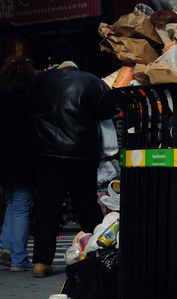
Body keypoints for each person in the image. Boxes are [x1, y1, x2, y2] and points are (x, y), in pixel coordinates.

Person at [30, 42, 117, 278]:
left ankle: (41, 262)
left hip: (46, 153)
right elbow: (107, 110)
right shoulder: (90, 81)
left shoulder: (39, 82)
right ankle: (98, 255)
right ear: (75, 59)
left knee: (48, 207)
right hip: (81, 153)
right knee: (86, 205)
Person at [0, 56, 36, 272]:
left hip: (3, 159)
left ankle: (6, 248)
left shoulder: (2, 96)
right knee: (21, 207)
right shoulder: (31, 95)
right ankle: (19, 258)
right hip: (24, 157)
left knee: (12, 204)